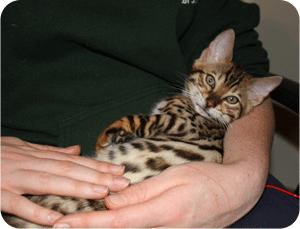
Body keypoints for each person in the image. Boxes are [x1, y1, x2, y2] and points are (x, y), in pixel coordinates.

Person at [1, 0, 298, 228]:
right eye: (210, 83)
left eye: (227, 98)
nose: (210, 102)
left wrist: (243, 176)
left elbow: (247, 61)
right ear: (208, 58)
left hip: (205, 181)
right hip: (31, 166)